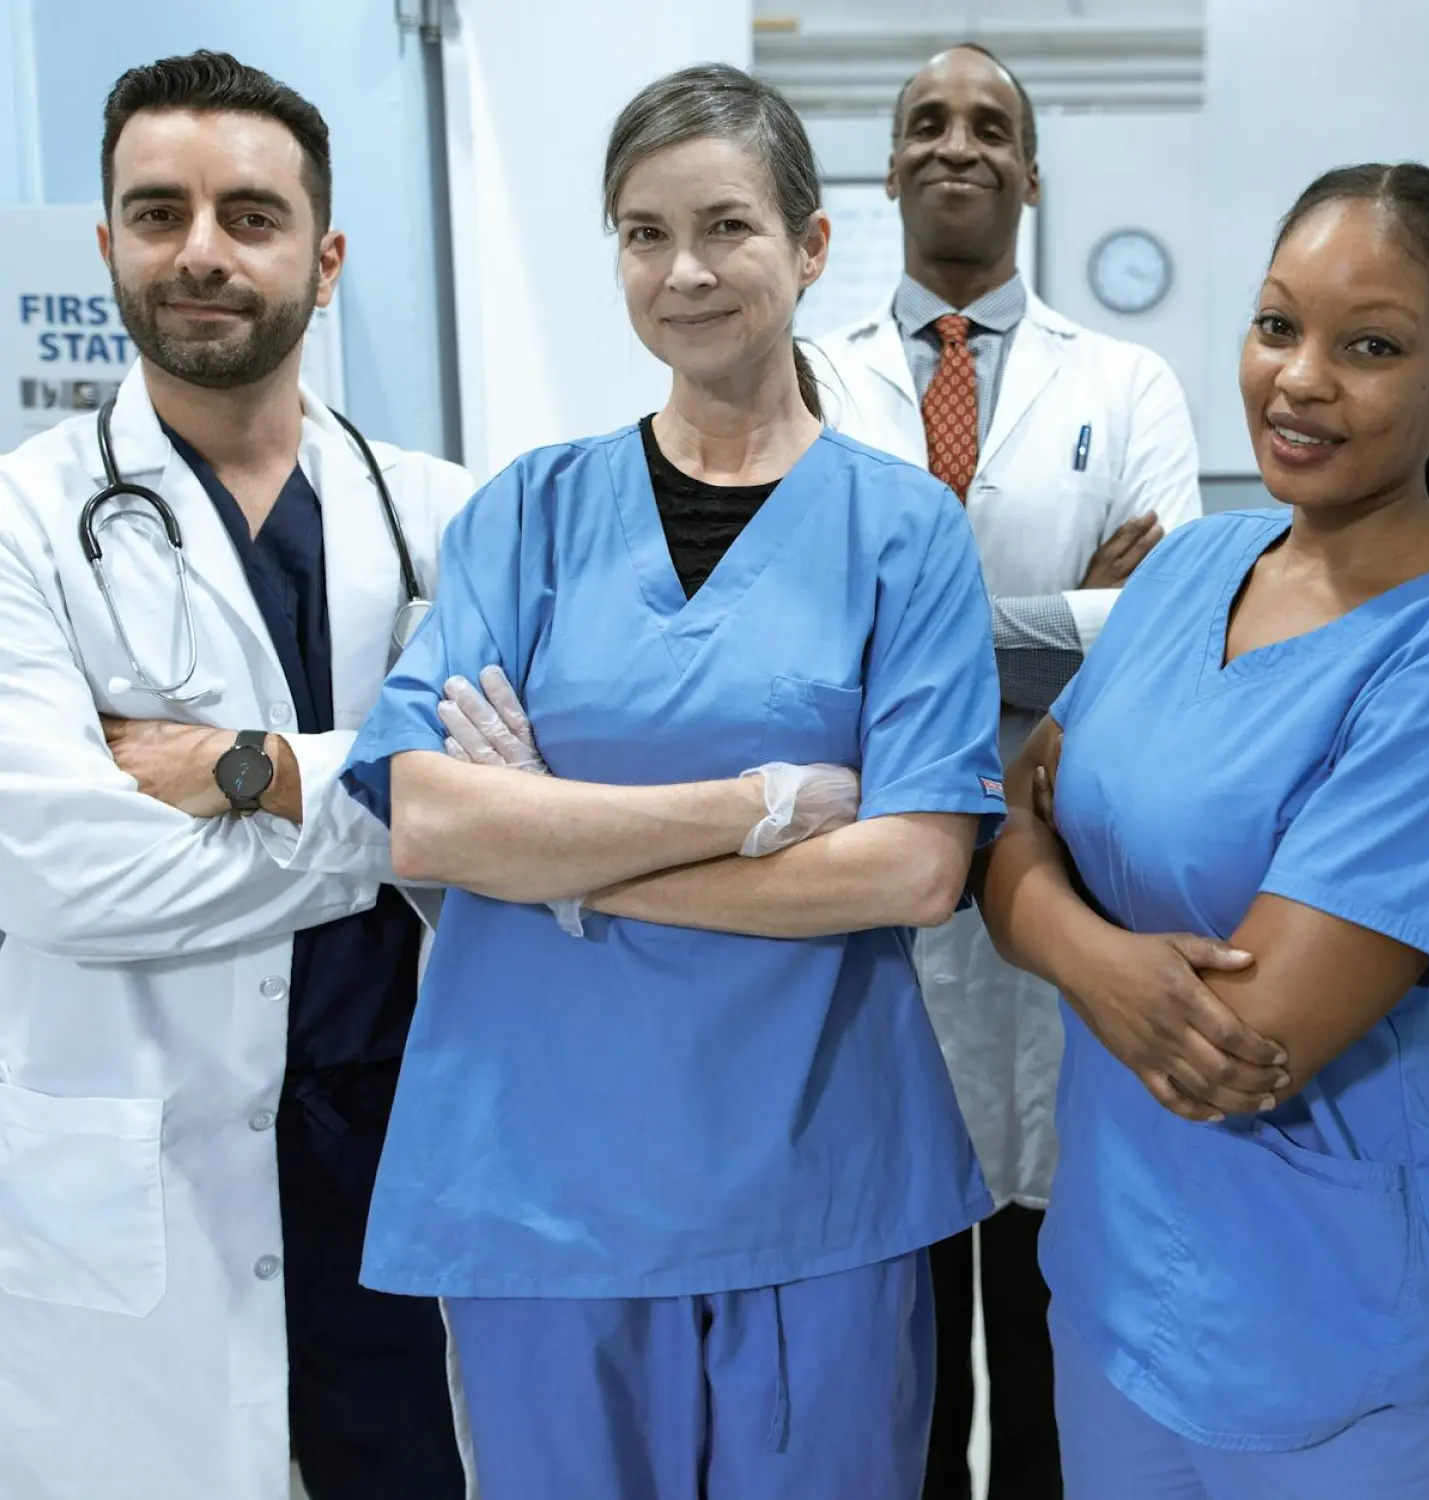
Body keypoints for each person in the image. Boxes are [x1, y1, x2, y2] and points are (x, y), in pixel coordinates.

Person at [334, 64, 1006, 1500]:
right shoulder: (529, 511)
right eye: (643, 233)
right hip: (538, 1181)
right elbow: (430, 815)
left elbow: (913, 870)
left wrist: (558, 853)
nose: (684, 270)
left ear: (811, 246)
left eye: (725, 227)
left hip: (814, 1176)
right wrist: (757, 809)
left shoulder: (903, 533)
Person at [979, 162, 1429, 1500]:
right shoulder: (1187, 568)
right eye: (1275, 324)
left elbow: (1237, 1050)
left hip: (1343, 1327)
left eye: (1369, 346)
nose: (1298, 379)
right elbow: (1008, 810)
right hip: (1119, 1275)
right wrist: (1103, 953)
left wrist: (1039, 900)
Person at [0, 52, 471, 1500]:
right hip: (151, 1156)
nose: (200, 250)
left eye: (250, 216)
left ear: (324, 258)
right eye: (158, 212)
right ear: (107, 247)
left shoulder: (444, 515)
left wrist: (250, 773)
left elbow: (532, 806)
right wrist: (408, 814)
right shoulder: (24, 521)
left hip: (404, 1150)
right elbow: (65, 873)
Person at [809, 45, 1201, 1498]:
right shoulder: (807, 374)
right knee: (899, 1318)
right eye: (925, 122)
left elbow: (1149, 629)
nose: (955, 144)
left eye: (990, 127)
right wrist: (1054, 627)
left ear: (1030, 175)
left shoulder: (1130, 379)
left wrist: (903, 633)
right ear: (891, 168)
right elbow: (793, 631)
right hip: (875, 882)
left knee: (1053, 1301)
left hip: (1060, 869)